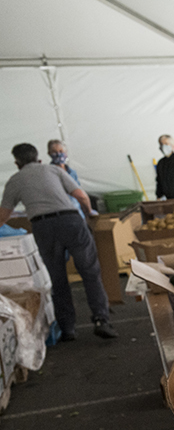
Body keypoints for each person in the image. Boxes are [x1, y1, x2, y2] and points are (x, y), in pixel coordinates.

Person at [0, 144, 117, 340]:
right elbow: (80, 195)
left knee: (58, 279)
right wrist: (89, 213)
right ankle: (101, 319)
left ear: (17, 162)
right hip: (70, 222)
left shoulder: (15, 180)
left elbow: (3, 215)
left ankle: (68, 329)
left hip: (43, 227)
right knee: (89, 272)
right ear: (38, 157)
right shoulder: (53, 170)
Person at [46, 139, 85, 215]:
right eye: (54, 152)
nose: (58, 154)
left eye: (61, 151)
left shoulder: (72, 172)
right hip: (59, 213)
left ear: (66, 153)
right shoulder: (47, 173)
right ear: (49, 153)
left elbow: (79, 193)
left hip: (77, 211)